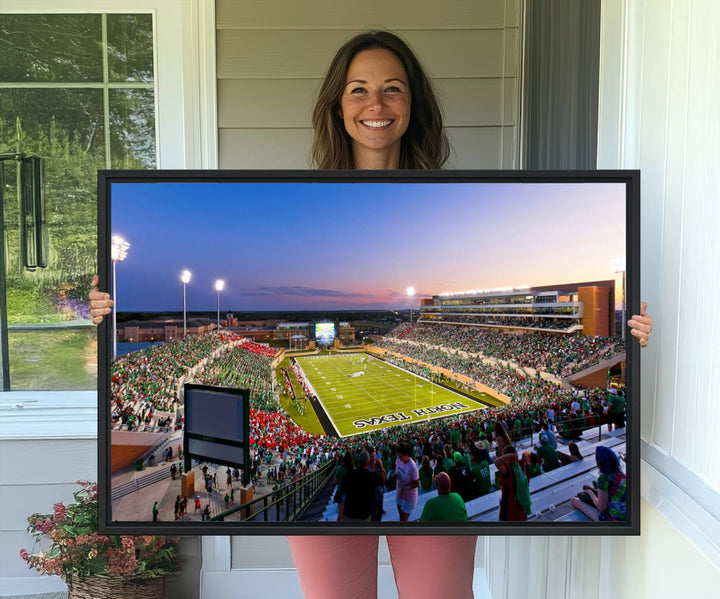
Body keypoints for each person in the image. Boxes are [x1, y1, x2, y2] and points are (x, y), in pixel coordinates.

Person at [89, 29, 653, 599]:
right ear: (338, 104)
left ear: (413, 105)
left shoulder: (450, 198)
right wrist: (104, 312)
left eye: (393, 89)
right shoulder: (308, 193)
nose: (375, 105)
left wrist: (628, 332)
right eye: (358, 89)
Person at [570, 446, 626, 521]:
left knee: (574, 500)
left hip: (613, 520)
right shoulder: (622, 476)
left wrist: (590, 493)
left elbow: (602, 508)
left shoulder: (603, 479)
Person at [341, 450, 383, 522]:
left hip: (348, 515)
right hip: (364, 517)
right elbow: (382, 481)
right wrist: (381, 467)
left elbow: (342, 488)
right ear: (368, 461)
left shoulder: (349, 474)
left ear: (358, 461)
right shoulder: (372, 477)